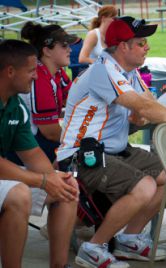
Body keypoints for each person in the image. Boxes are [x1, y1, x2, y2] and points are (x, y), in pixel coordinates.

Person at [56, 16, 166, 268]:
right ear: (122, 47)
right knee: (145, 186)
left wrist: (142, 112)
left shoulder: (128, 73)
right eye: (141, 43)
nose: (147, 47)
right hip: (79, 156)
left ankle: (129, 238)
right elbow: (144, 107)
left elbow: (145, 108)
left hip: (112, 151)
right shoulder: (103, 69)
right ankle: (93, 247)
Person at [0, 39, 78, 268]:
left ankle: (59, 265)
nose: (36, 76)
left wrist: (55, 180)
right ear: (11, 71)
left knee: (67, 189)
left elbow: (32, 153)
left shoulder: (15, 105)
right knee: (18, 193)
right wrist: (42, 180)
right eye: (32, 70)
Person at [13, 22, 76, 163]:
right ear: (47, 51)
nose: (70, 50)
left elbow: (76, 101)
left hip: (37, 139)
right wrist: (80, 138)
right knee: (78, 158)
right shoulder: (39, 77)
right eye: (64, 45)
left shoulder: (57, 71)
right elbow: (50, 132)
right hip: (26, 146)